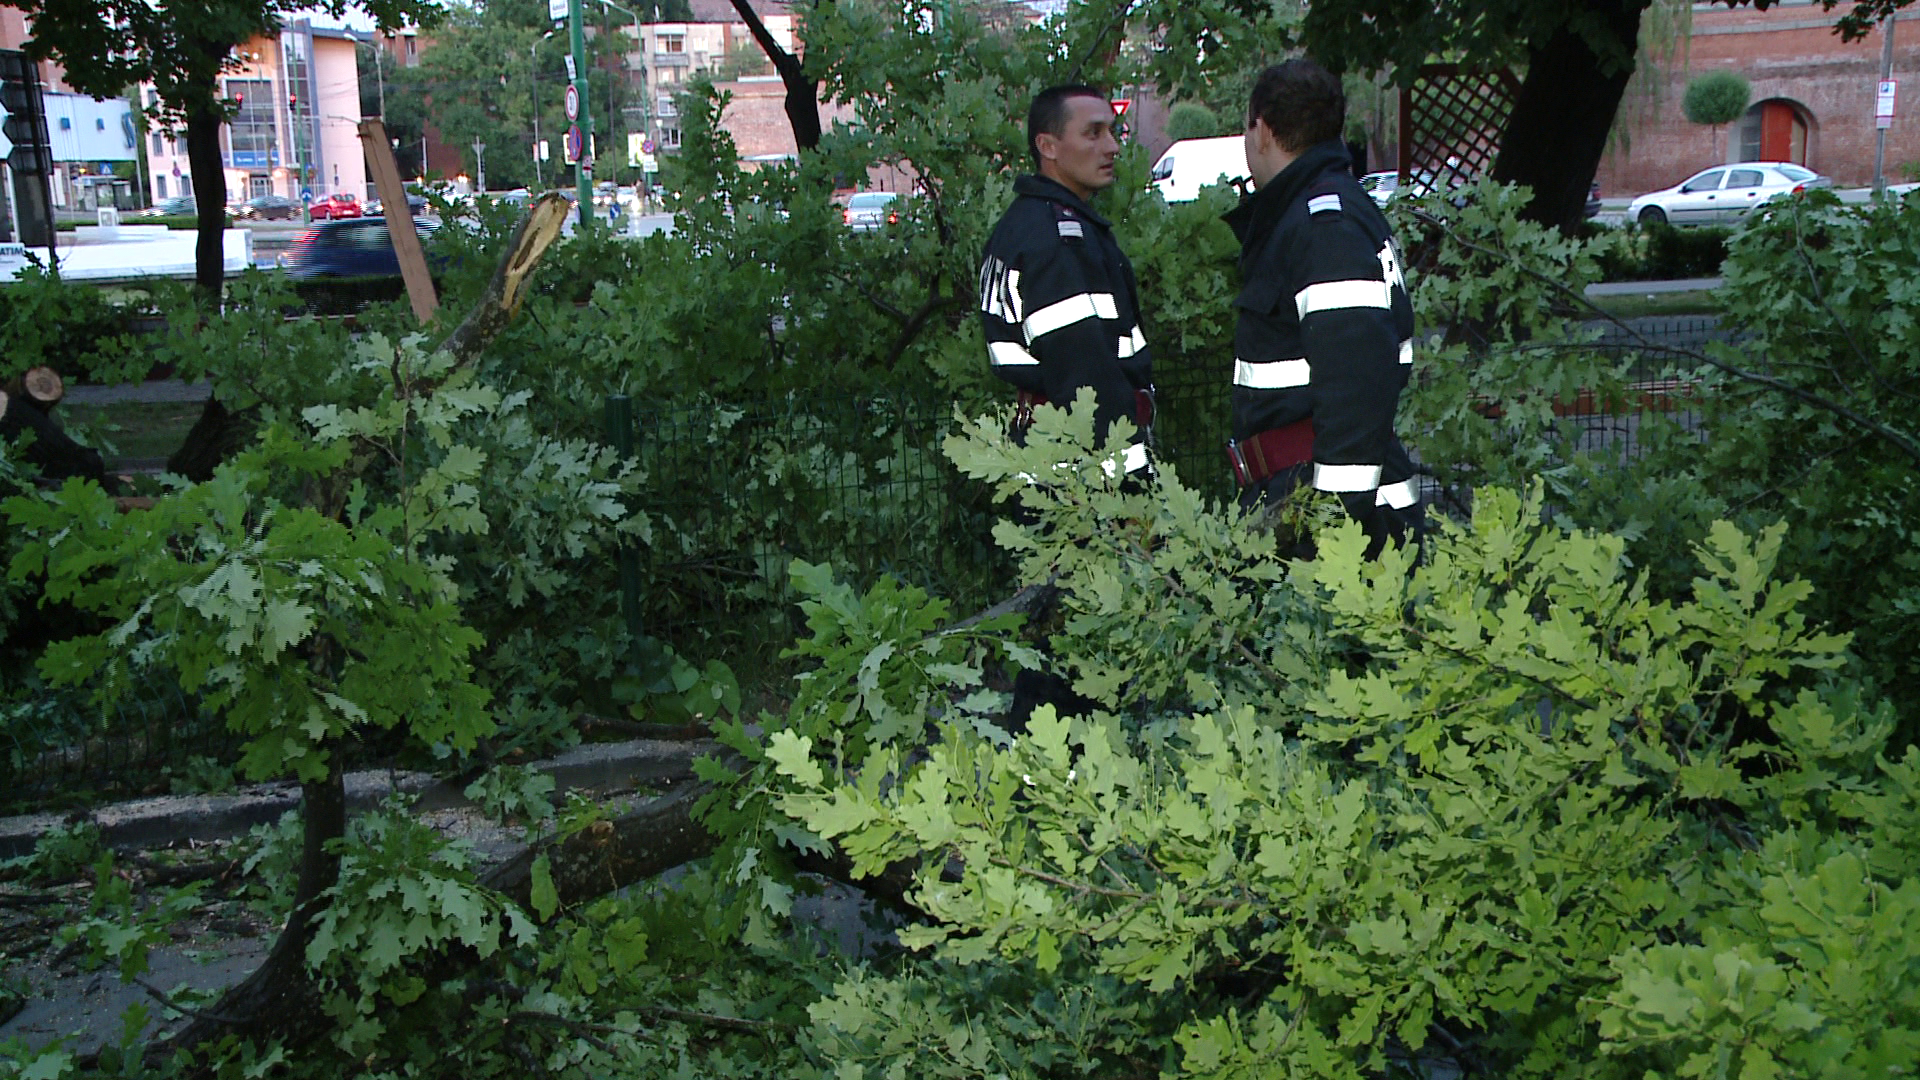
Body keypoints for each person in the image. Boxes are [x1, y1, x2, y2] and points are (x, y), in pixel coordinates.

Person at [1223, 58, 1419, 557]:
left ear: (1263, 131)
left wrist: (1331, 528)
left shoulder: (1322, 225)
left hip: (1332, 513)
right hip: (1306, 493)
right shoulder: (1316, 213)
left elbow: (1357, 383)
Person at [978, 84, 1154, 478]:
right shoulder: (1057, 241)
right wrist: (1130, 487)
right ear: (1048, 146)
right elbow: (1086, 382)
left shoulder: (1027, 224)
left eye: (1113, 132)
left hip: (1051, 458)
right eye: (1093, 133)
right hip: (1085, 474)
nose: (1112, 147)